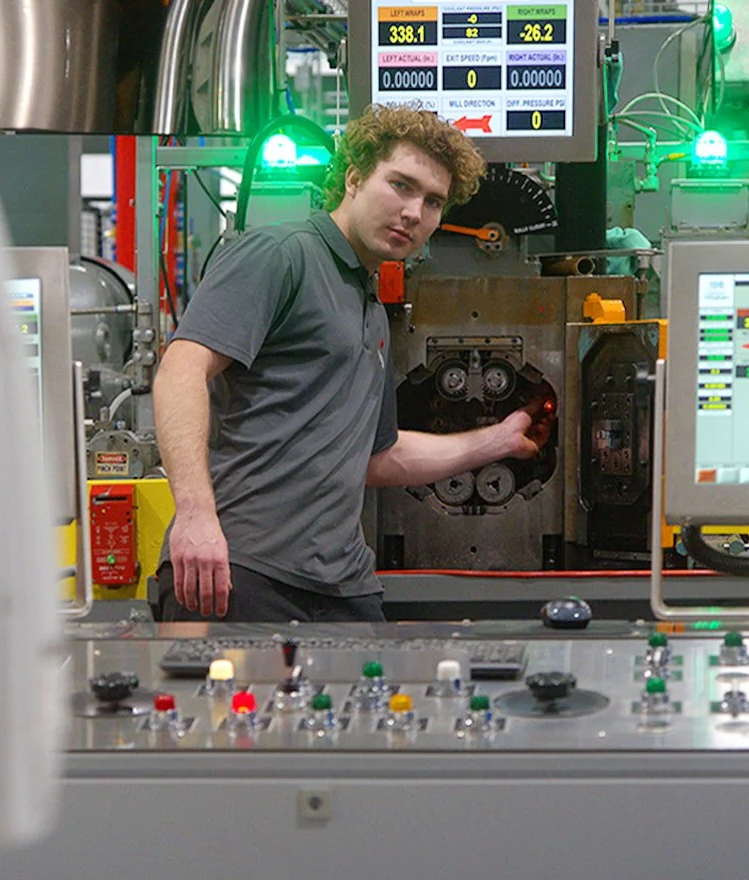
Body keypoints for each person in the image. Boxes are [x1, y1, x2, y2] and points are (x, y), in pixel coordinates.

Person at [151, 103, 553, 623]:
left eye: (433, 202)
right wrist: (196, 515)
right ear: (354, 178)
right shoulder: (282, 255)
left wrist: (496, 442)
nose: (414, 212)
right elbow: (180, 370)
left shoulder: (371, 308)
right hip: (239, 570)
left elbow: (376, 458)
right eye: (401, 185)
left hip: (341, 585)